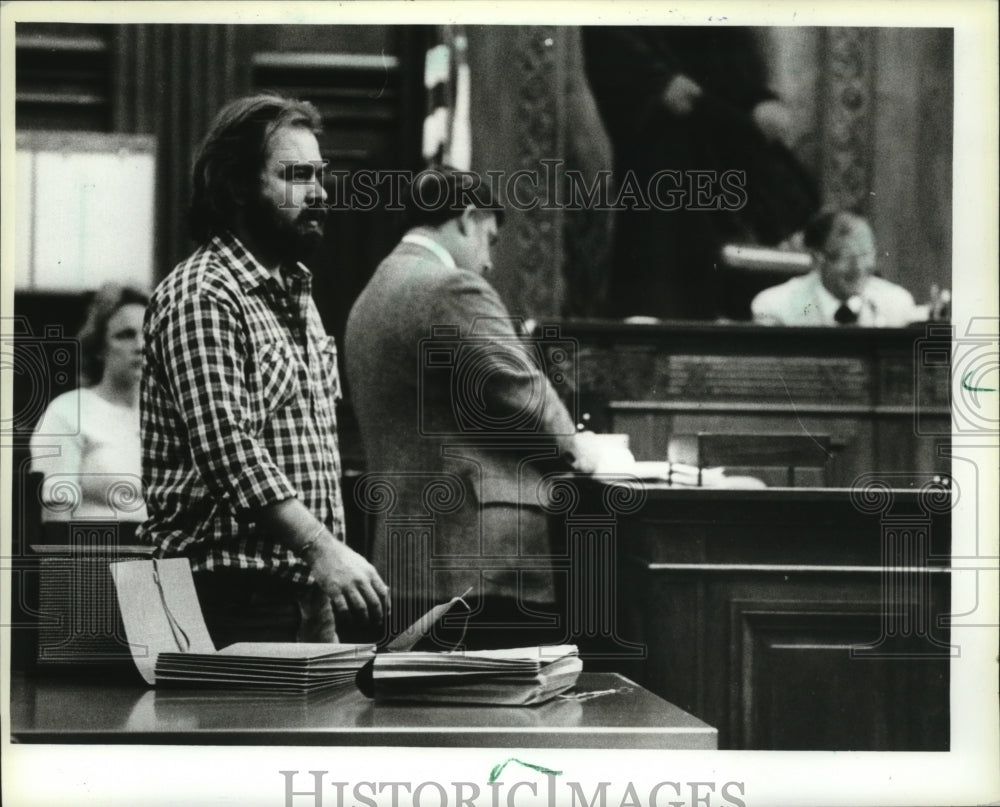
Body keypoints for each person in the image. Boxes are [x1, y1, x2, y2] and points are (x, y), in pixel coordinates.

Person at [138, 93, 388, 647]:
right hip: (227, 598)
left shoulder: (294, 291)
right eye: (296, 176)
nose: (319, 193)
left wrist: (325, 562)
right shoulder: (202, 292)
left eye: (320, 175)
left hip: (304, 592)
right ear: (237, 187)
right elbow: (228, 447)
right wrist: (322, 548)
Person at [345, 167, 608, 650]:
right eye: (489, 238)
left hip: (407, 560)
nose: (487, 263)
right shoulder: (449, 288)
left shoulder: (372, 293)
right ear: (468, 217)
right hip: (477, 562)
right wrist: (584, 451)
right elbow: (523, 391)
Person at [582, 26, 819, 319]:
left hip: (720, 143)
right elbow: (657, 81)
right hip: (658, 151)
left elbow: (726, 49)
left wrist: (757, 99)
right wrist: (660, 83)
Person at [30, 284, 149, 525]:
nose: (140, 345)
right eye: (125, 335)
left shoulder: (166, 415)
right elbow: (55, 520)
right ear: (99, 348)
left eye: (148, 333)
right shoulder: (67, 412)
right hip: (94, 556)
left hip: (164, 558)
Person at [751, 210, 918, 327]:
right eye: (846, 256)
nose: (858, 268)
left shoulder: (897, 305)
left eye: (866, 254)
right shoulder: (776, 307)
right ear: (818, 258)